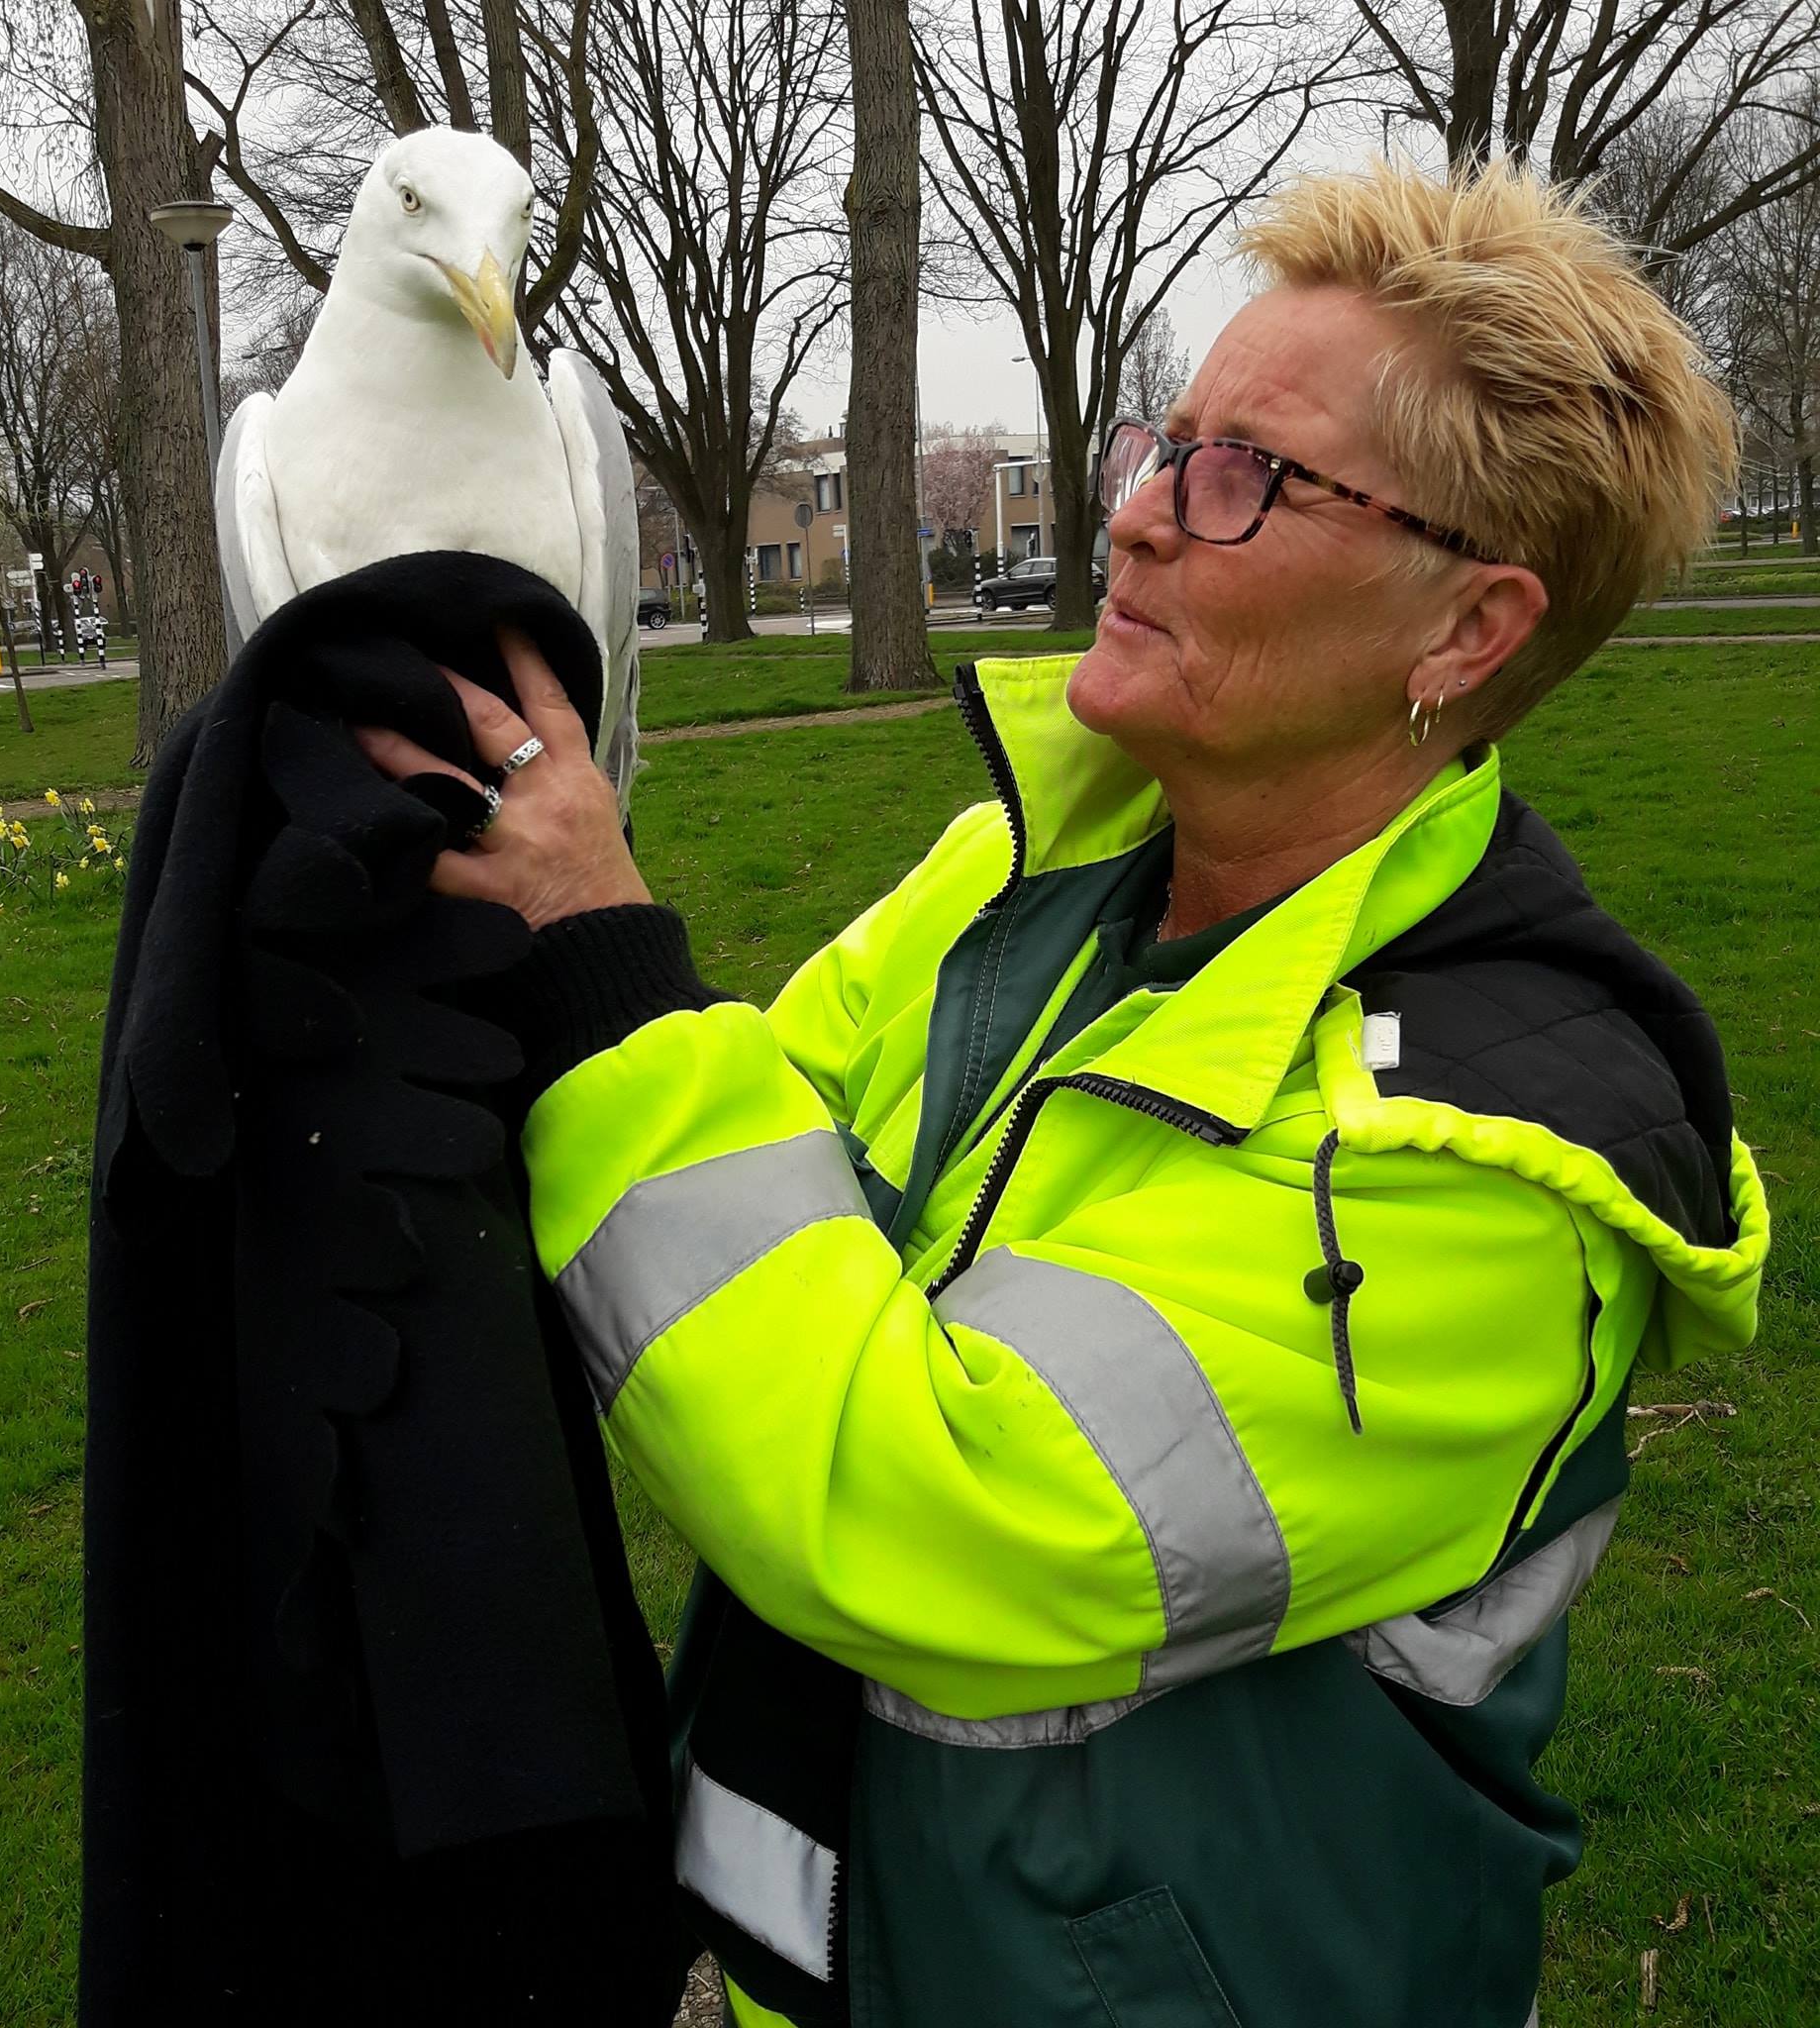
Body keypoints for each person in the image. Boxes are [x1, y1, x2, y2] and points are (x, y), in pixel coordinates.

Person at [353, 160, 1769, 2028]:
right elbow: (755, 1159)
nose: (1136, 516)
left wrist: (601, 957)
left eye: (1247, 475)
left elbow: (926, 1509)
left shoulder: (1489, 1162)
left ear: (1467, 635)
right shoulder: (1019, 877)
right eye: (1163, 440)